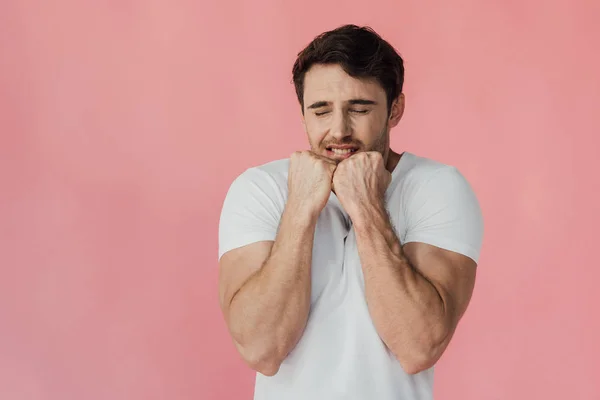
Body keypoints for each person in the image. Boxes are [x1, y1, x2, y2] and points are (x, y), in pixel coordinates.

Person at [217, 24, 484, 400]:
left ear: (395, 109)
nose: (338, 130)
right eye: (321, 111)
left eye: (359, 108)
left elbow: (418, 347)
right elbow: (262, 349)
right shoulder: (259, 188)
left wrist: (366, 205)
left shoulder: (439, 187)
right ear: (303, 113)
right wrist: (299, 209)